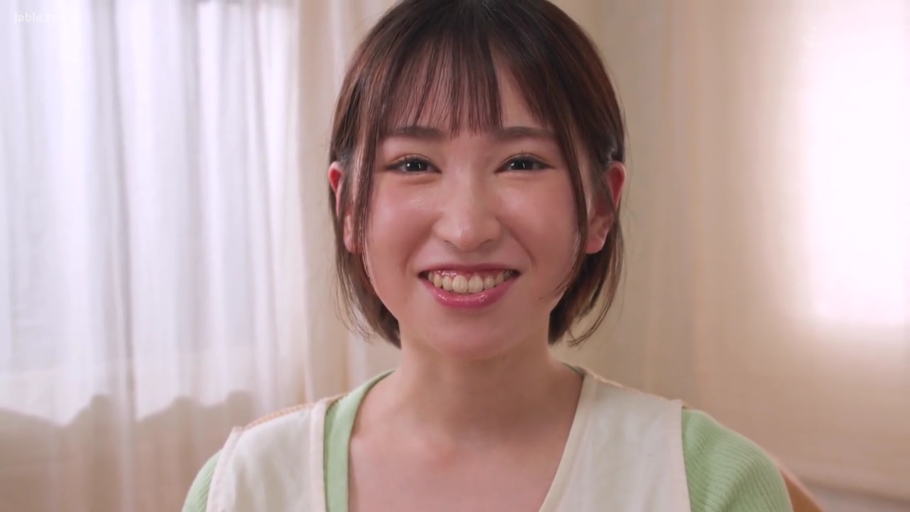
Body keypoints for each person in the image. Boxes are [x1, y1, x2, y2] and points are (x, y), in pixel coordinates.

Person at [183, 0, 795, 510]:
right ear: (349, 209)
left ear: (601, 207)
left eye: (521, 163)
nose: (467, 228)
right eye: (413, 165)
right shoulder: (245, 486)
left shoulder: (709, 485)